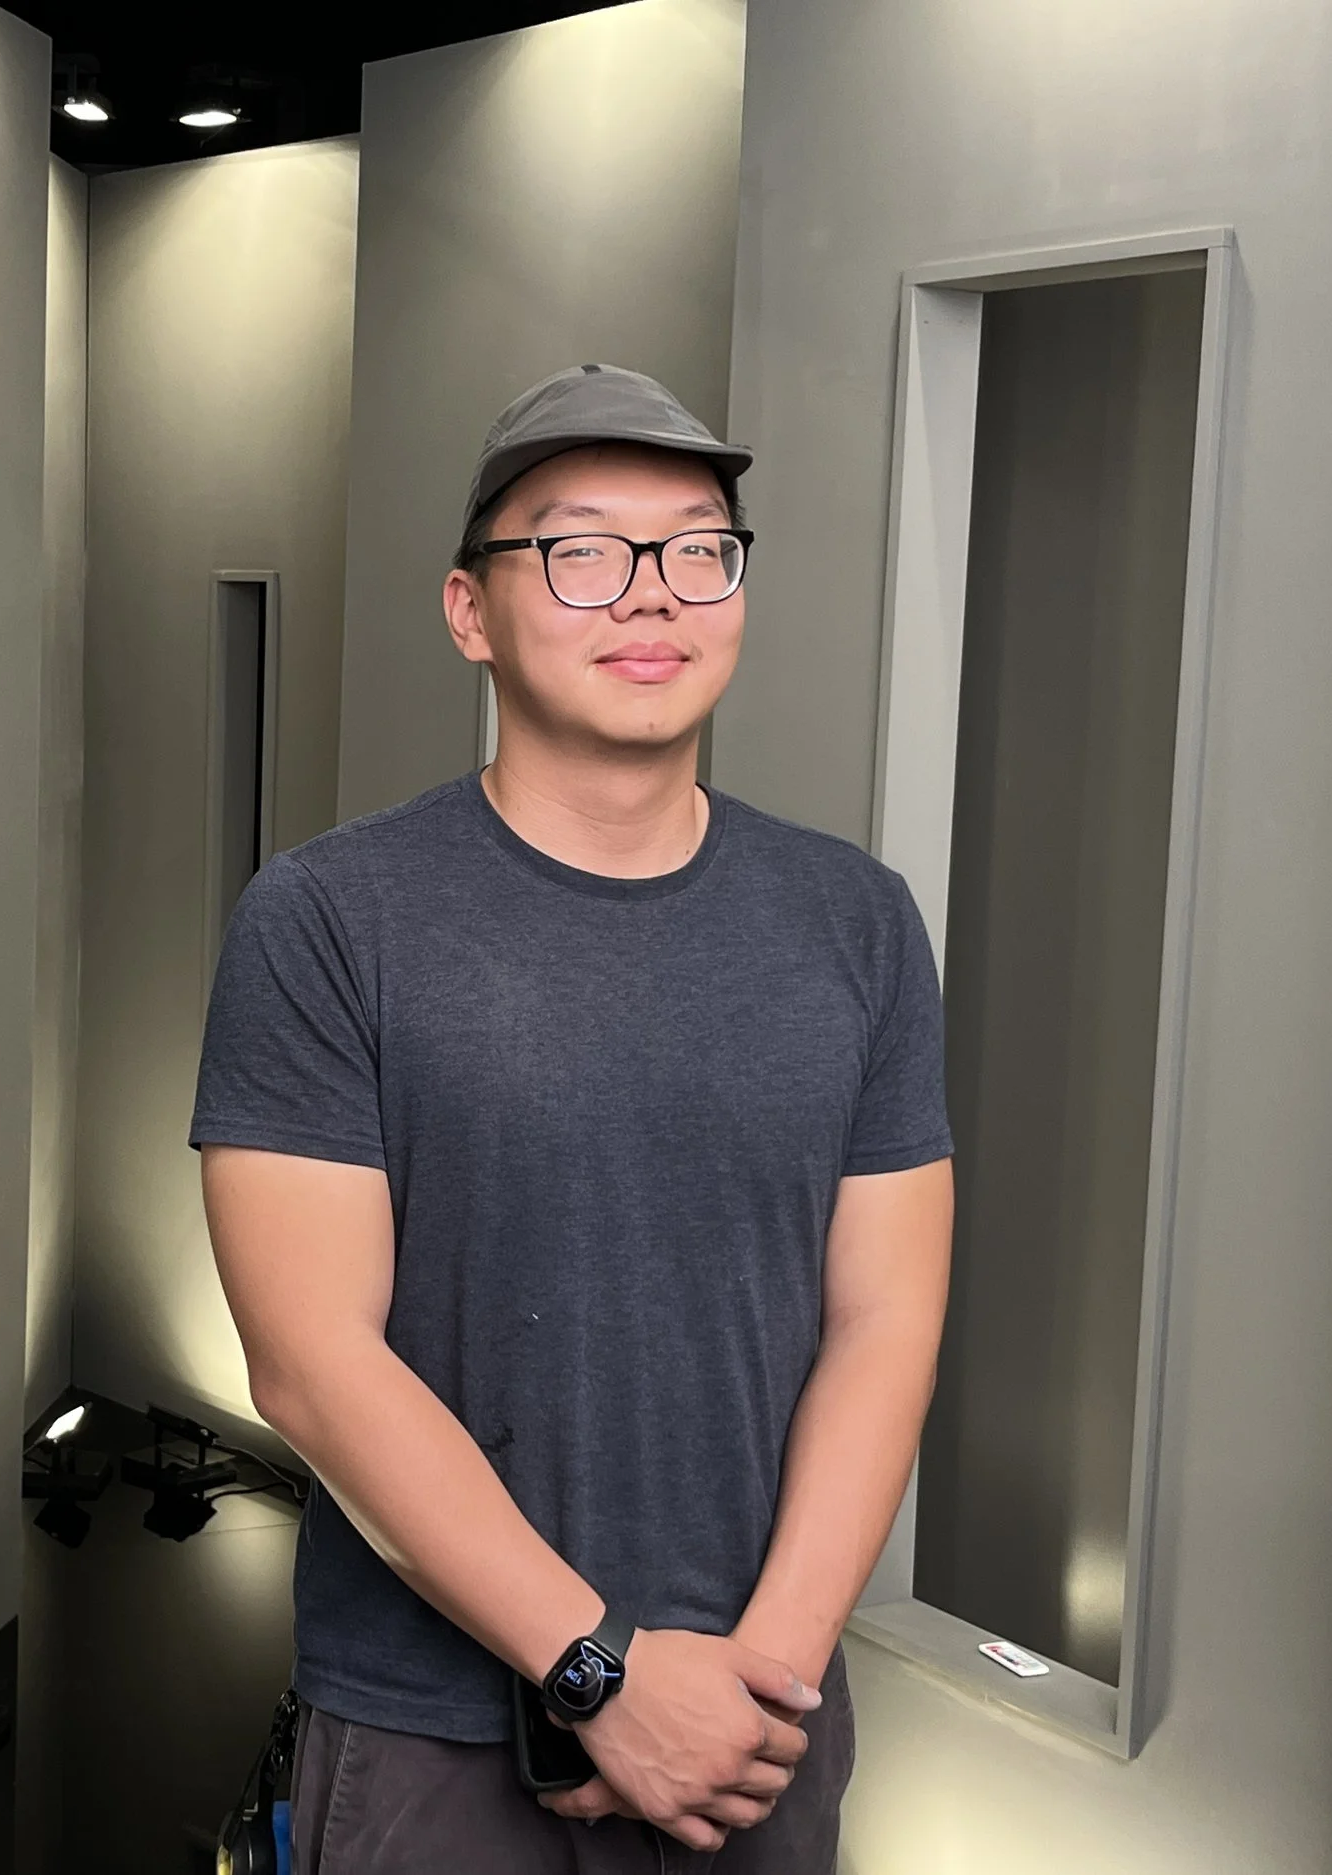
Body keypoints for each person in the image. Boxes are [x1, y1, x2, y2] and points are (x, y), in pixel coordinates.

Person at [190, 364, 955, 1872]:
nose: (652, 591)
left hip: (758, 1733)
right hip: (438, 1739)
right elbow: (313, 1364)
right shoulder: (329, 919)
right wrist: (597, 1671)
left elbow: (886, 1320)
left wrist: (758, 1684)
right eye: (583, 551)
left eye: (698, 550)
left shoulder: (857, 921)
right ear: (470, 610)